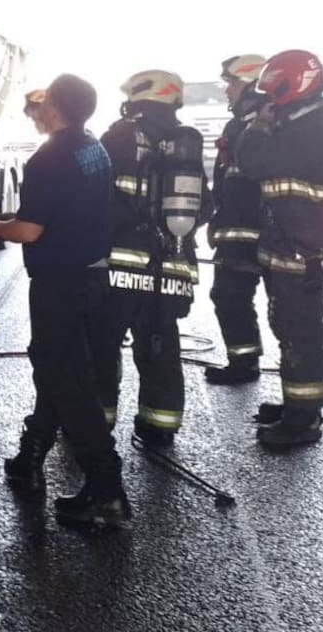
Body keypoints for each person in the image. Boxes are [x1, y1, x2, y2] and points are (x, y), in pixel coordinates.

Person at [0, 75, 129, 528]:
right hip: (92, 278)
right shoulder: (92, 147)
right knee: (60, 371)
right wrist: (16, 220)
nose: (38, 110)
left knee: (68, 382)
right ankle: (31, 459)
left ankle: (107, 491)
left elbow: (30, 231)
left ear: (56, 108)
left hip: (59, 284)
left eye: (44, 103)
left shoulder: (49, 159)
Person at [236, 50, 323, 447]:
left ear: (293, 84)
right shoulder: (318, 124)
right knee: (294, 329)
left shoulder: (308, 131)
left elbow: (251, 160)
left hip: (303, 248)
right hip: (304, 244)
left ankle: (303, 421)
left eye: (273, 88)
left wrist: (259, 126)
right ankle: (298, 404)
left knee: (300, 332)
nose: (268, 96)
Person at [96, 70, 212, 446]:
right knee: (161, 345)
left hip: (122, 266)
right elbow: (206, 207)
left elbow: (96, 194)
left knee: (102, 342)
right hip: (172, 265)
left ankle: (97, 421)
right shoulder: (185, 143)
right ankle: (160, 424)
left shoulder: (119, 136)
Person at [205, 54, 270, 385]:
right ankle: (243, 363)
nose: (226, 90)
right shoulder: (237, 124)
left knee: (289, 309)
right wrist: (217, 218)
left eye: (232, 83)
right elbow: (226, 175)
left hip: (269, 230)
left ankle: (304, 376)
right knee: (229, 295)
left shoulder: (274, 122)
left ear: (254, 84)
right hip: (236, 227)